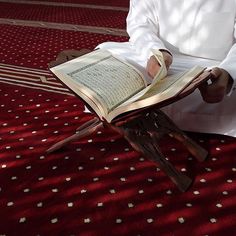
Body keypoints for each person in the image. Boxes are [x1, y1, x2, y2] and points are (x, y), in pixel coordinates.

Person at [96, 0, 236, 137]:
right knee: (104, 58)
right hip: (158, 59)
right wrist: (154, 51)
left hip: (214, 66)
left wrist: (228, 74)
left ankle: (137, 113)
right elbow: (140, 25)